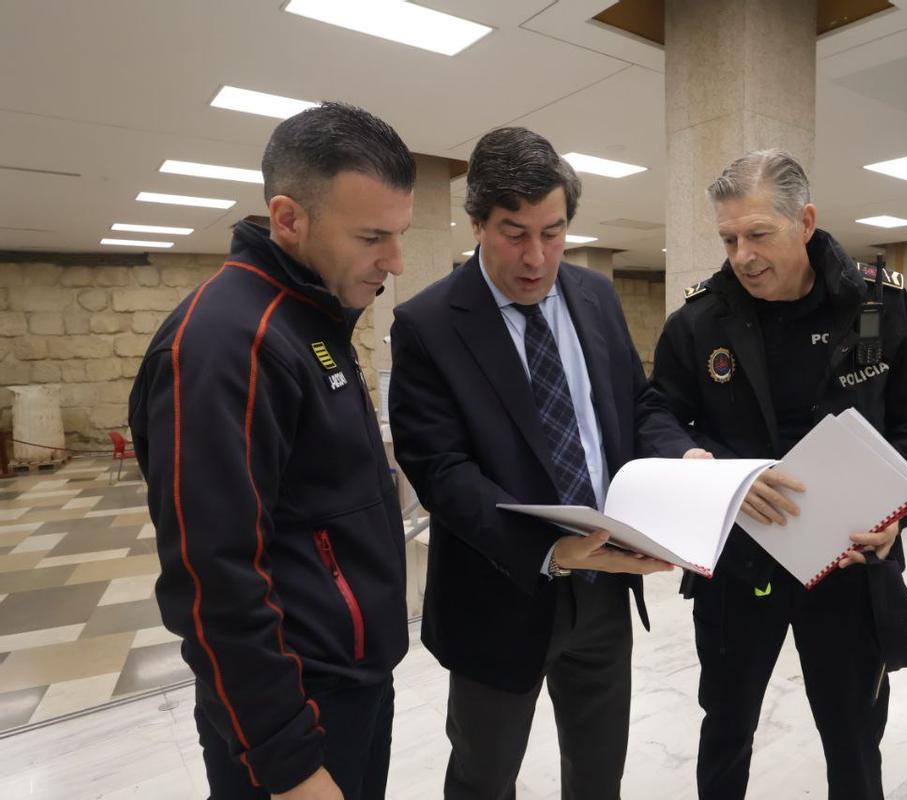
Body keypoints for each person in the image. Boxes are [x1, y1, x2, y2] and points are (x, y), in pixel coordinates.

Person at [388, 126, 706, 800]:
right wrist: (550, 550)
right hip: (499, 592)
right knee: (484, 777)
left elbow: (637, 402)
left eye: (553, 233)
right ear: (477, 223)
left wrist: (681, 453)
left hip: (605, 587)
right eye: (514, 234)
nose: (536, 258)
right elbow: (441, 470)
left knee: (598, 771)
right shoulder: (428, 324)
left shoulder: (594, 296)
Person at [129, 102, 415, 800]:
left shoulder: (309, 320)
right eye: (372, 236)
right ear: (288, 219)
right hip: (294, 711)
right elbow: (212, 578)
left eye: (399, 234)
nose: (396, 261)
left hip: (350, 681)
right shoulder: (226, 343)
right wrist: (287, 762)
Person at [650, 149, 907, 800]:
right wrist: (705, 470)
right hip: (740, 563)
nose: (742, 256)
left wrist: (898, 514)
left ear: (805, 221)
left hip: (847, 564)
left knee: (854, 735)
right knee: (726, 726)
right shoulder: (699, 321)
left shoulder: (876, 304)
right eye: (729, 239)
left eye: (758, 234)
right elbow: (657, 412)